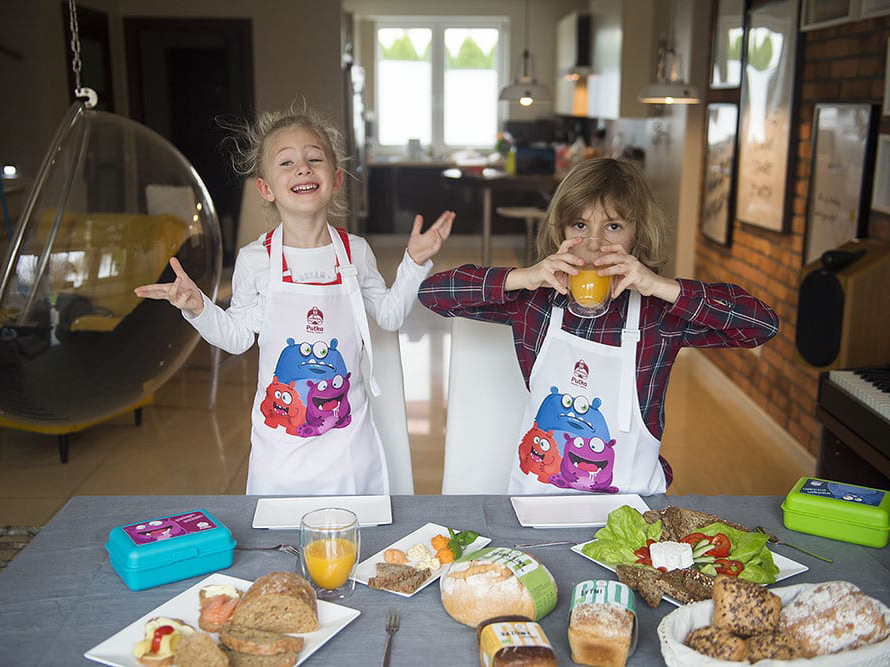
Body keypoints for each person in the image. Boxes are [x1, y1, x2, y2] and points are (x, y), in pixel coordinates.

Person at [135, 104, 454, 495]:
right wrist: (198, 308)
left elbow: (389, 315)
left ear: (336, 179)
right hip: (280, 451)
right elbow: (237, 337)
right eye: (286, 162)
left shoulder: (354, 251)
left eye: (314, 159)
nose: (302, 168)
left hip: (349, 448)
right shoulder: (256, 259)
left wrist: (414, 264)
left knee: (356, 531)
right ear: (266, 189)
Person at [418, 157, 777, 495]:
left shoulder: (657, 315)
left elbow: (760, 325)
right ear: (560, 230)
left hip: (632, 508)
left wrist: (661, 286)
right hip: (537, 503)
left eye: (613, 226)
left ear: (637, 234)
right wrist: (523, 277)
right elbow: (434, 294)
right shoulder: (534, 303)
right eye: (580, 225)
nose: (594, 244)